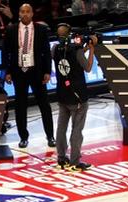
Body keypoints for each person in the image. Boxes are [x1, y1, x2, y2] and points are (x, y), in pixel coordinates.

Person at [1, 3, 55, 149]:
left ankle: (50, 136)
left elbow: (46, 53)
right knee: (20, 107)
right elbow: (5, 52)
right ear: (19, 13)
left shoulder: (41, 29)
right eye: (22, 11)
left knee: (44, 105)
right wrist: (7, 71)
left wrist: (47, 72)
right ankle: (23, 137)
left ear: (32, 14)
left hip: (36, 71)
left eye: (27, 11)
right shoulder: (11, 29)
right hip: (19, 72)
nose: (25, 14)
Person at [53, 24, 96, 172]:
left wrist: (82, 49)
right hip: (77, 95)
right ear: (70, 34)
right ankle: (75, 162)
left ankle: (61, 159)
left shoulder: (55, 49)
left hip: (62, 93)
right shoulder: (76, 51)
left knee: (61, 127)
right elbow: (88, 67)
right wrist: (91, 50)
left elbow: (72, 56)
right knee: (77, 129)